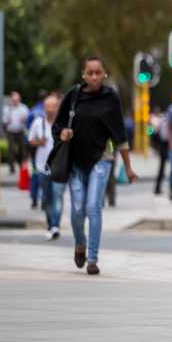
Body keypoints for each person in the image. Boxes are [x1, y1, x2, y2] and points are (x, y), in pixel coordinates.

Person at [54, 56, 138, 275]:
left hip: (102, 159)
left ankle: (92, 258)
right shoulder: (73, 96)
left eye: (98, 72)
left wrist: (128, 167)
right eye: (89, 73)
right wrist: (63, 133)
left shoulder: (111, 98)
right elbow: (58, 126)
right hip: (75, 161)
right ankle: (79, 243)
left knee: (93, 207)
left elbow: (120, 135)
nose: (93, 76)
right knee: (77, 209)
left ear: (104, 74)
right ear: (83, 75)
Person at [28, 93, 62, 239]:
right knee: (47, 198)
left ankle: (55, 225)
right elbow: (30, 141)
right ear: (44, 107)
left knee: (58, 196)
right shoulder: (37, 123)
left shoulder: (63, 124)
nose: (50, 109)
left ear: (58, 107)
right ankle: (50, 224)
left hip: (60, 167)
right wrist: (38, 142)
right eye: (48, 106)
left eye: (53, 106)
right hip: (42, 167)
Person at [1, 91, 29, 175]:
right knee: (11, 150)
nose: (15, 101)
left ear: (19, 99)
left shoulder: (24, 108)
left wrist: (25, 120)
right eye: (13, 100)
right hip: (11, 132)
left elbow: (28, 119)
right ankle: (11, 168)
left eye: (16, 99)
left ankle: (21, 166)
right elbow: (3, 121)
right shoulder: (7, 109)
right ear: (11, 100)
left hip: (20, 131)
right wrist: (7, 121)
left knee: (22, 150)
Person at [150, 107, 170, 195]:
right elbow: (152, 132)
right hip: (164, 145)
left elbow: (153, 132)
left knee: (164, 168)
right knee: (162, 168)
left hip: (165, 144)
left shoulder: (160, 120)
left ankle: (160, 187)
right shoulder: (156, 120)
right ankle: (158, 188)